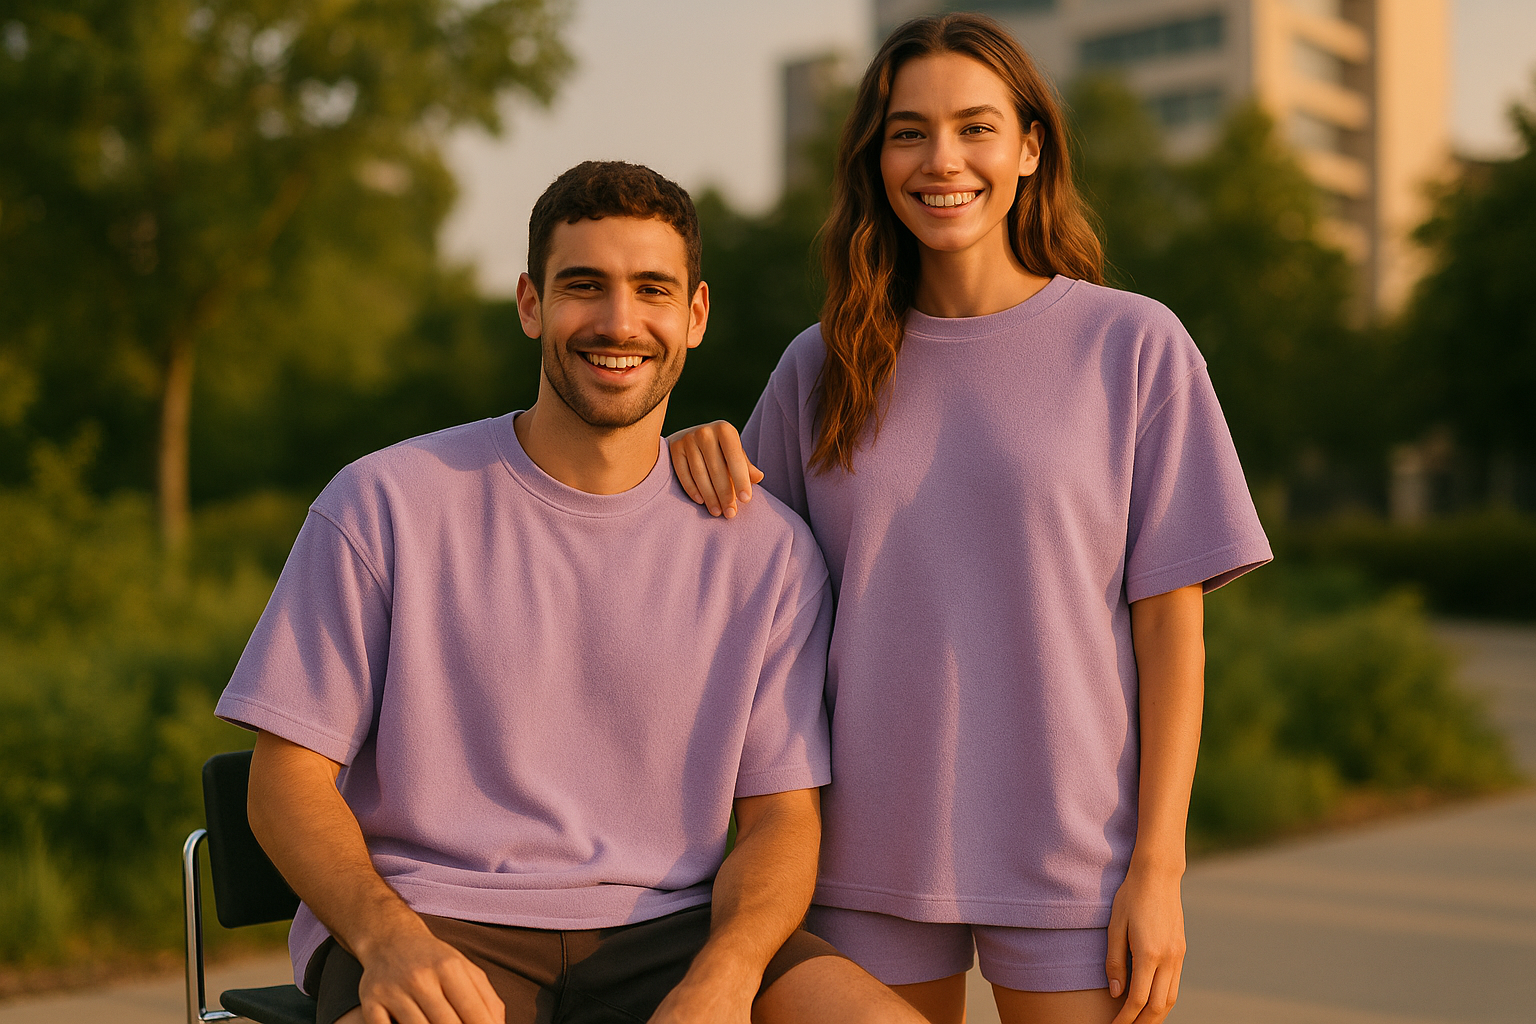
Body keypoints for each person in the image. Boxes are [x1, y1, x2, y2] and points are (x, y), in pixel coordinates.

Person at [216, 160, 924, 1024]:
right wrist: (386, 940)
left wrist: (727, 975)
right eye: (584, 285)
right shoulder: (384, 504)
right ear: (530, 304)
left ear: (694, 316)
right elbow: (284, 780)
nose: (619, 321)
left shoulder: (767, 553)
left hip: (675, 932)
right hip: (437, 925)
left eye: (652, 289)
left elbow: (779, 819)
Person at [667, 15, 1272, 1024]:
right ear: (876, 157)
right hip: (865, 848)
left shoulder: (1134, 346)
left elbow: (1171, 629)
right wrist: (689, 452)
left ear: (1030, 148)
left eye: (975, 127)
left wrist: (1158, 870)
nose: (942, 159)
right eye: (909, 132)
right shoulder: (819, 365)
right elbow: (742, 596)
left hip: (1079, 849)